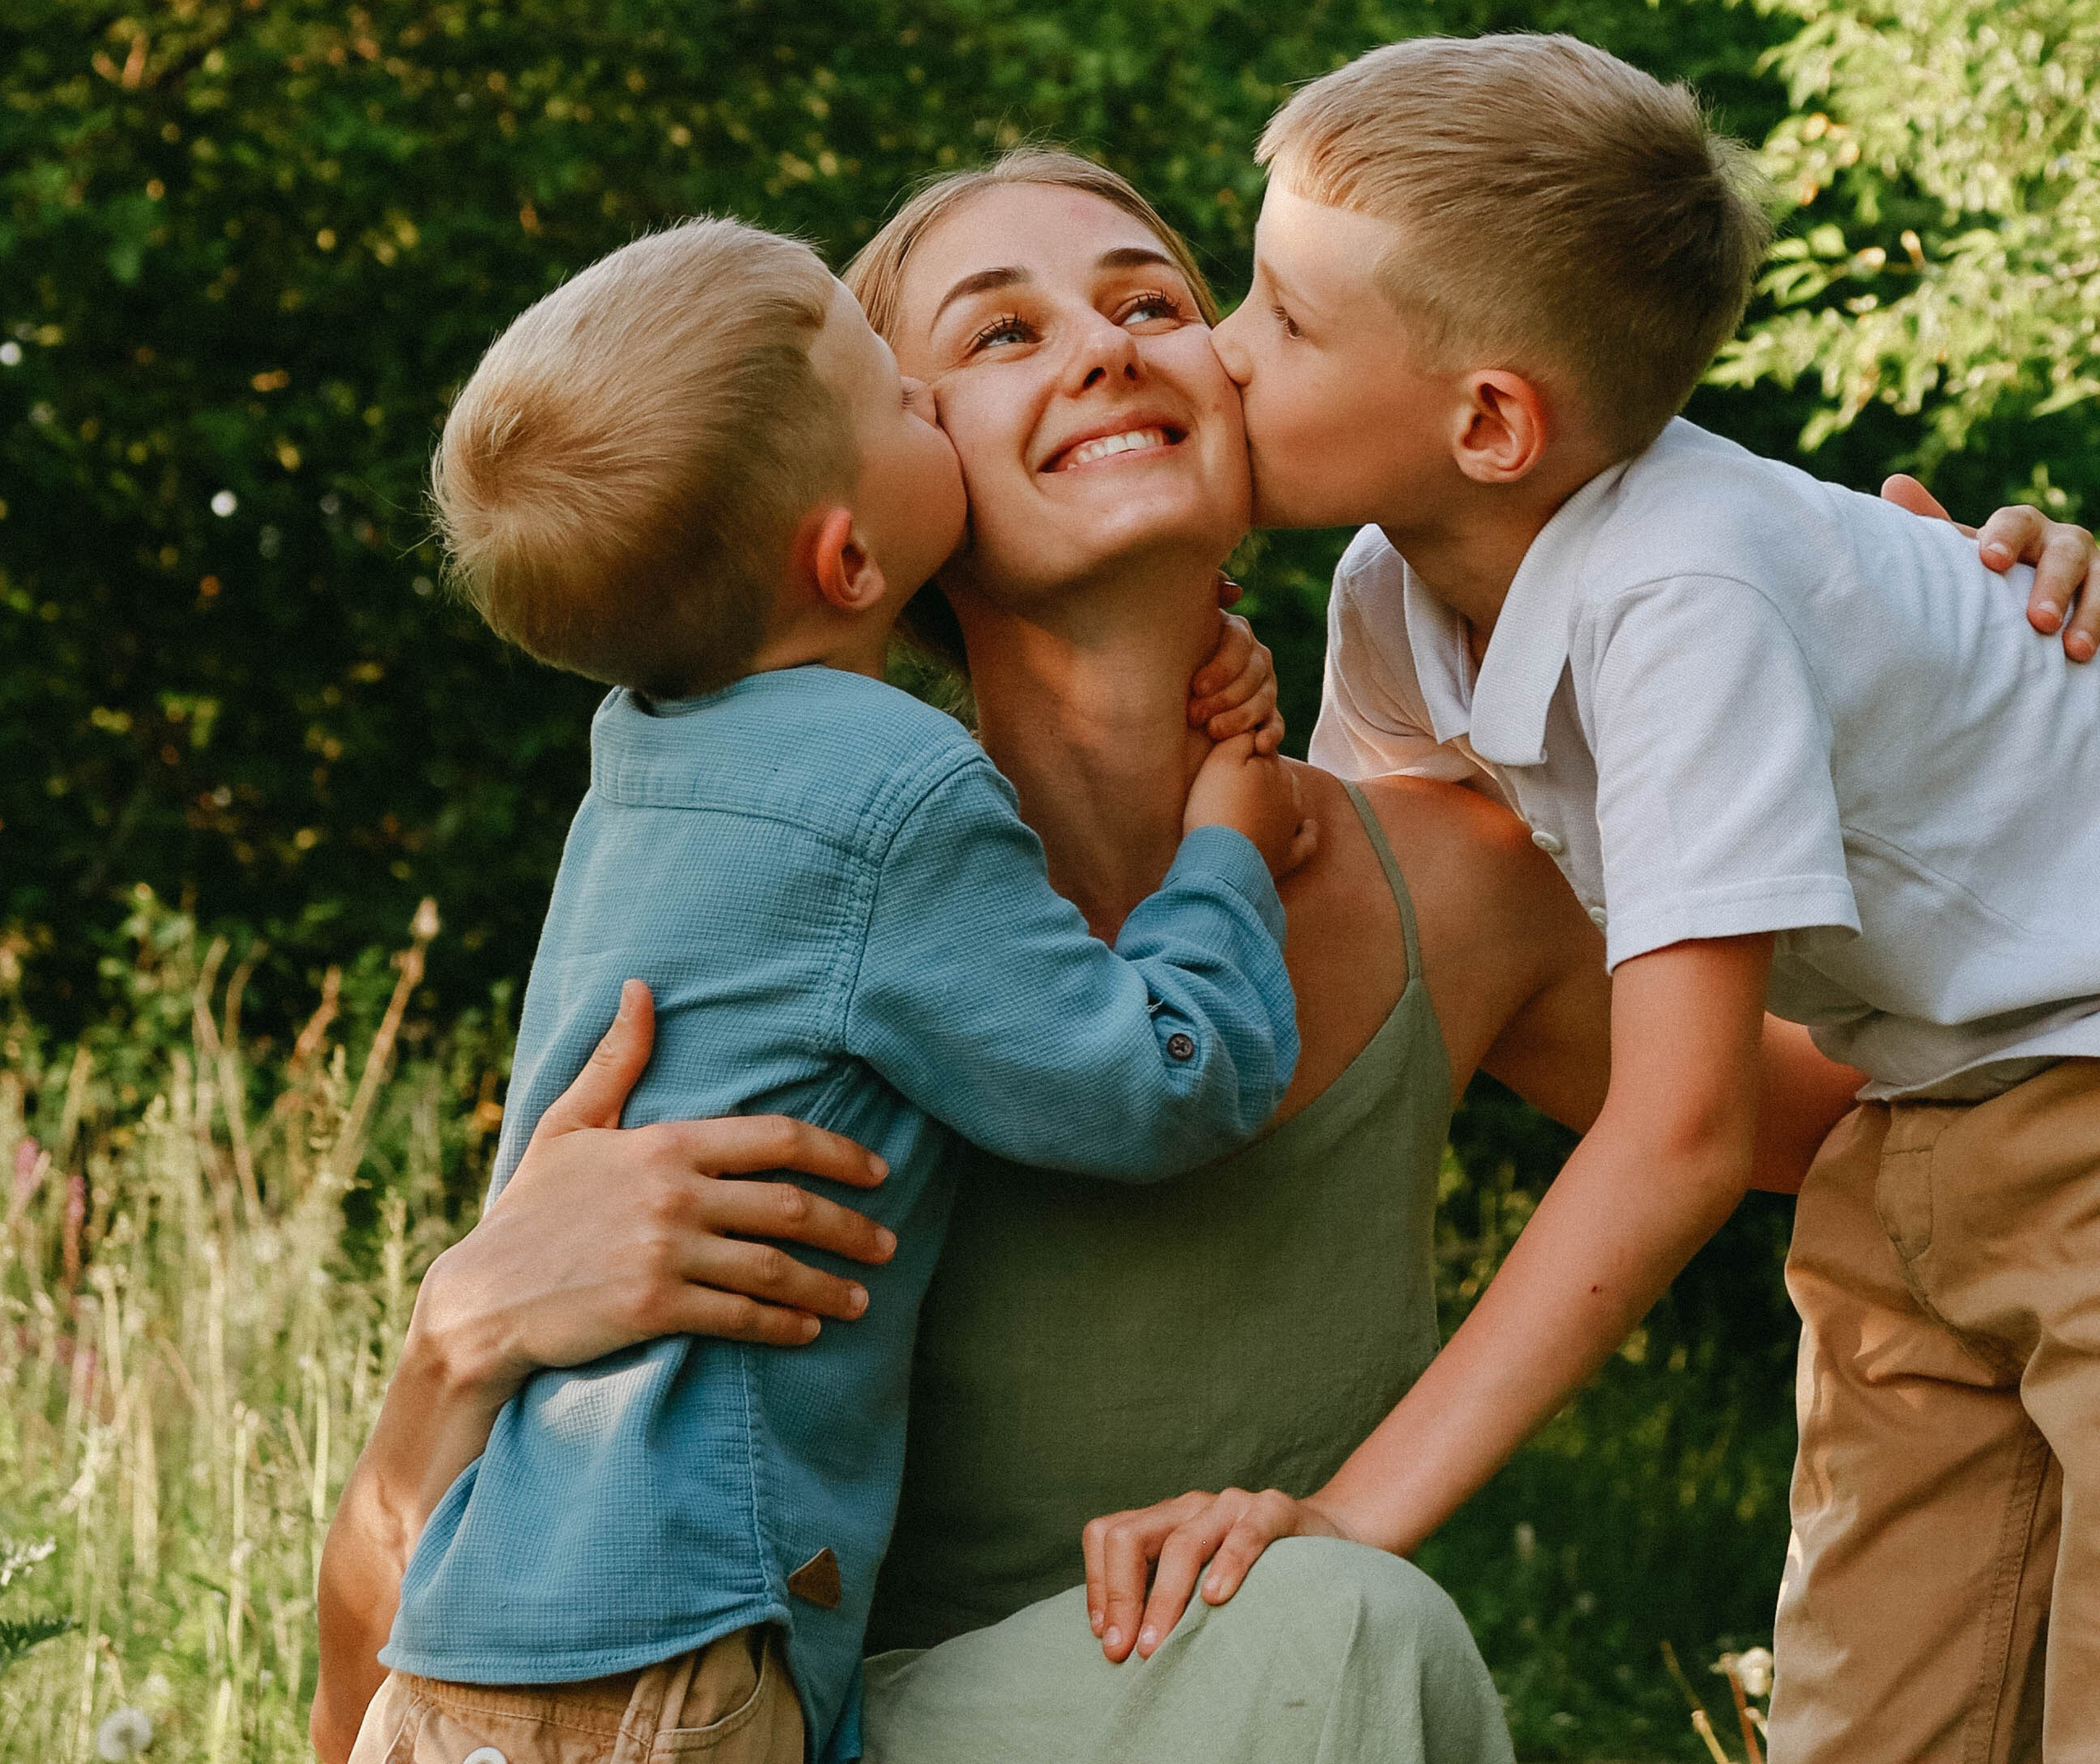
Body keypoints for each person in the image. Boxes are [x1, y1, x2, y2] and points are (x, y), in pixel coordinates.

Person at [313, 147, 2094, 1764]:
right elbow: (413, 1655)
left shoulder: (1454, 883)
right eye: (996, 333)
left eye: (1155, 303)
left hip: (1227, 1699)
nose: (1102, 346)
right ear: (871, 494)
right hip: (803, 1724)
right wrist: (456, 1338)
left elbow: (1882, 1121)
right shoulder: (807, 913)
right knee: (1337, 1625)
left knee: (1333, 1632)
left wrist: (1947, 698)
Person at [1090, 35, 2100, 1764]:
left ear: (1485, 422)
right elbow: (1378, 931)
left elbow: (1681, 1129)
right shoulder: (1388, 596)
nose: (1214, 353)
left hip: (2073, 1102)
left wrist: (1349, 1514)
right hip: (1906, 1136)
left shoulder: (1679, 591)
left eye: (1278, 318)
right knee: (1862, 1720)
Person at [332, 213, 1311, 1764]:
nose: (933, 405)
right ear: (849, 557)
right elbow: (1167, 1076)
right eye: (910, 395)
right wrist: (1224, 853)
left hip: (475, 1626)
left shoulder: (647, 756)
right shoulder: (897, 793)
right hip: (673, 1639)